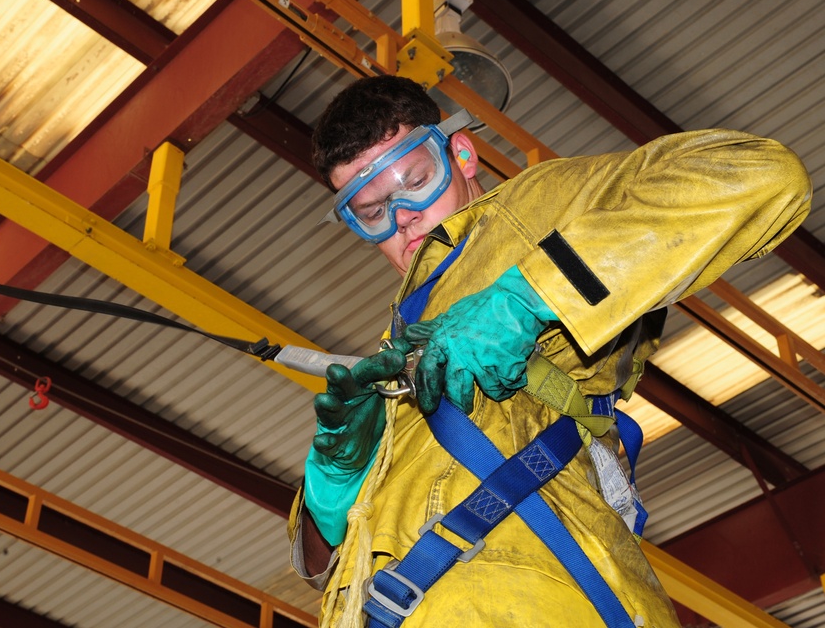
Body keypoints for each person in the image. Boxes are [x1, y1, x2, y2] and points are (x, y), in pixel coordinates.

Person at [289, 75, 811, 627]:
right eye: (371, 213)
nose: (403, 218)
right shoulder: (398, 345)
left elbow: (761, 173)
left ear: (461, 154)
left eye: (415, 180)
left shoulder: (532, 209)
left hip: (527, 597)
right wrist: (332, 484)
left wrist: (528, 297)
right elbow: (322, 565)